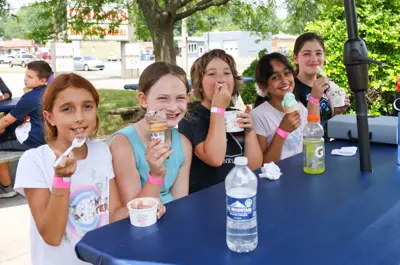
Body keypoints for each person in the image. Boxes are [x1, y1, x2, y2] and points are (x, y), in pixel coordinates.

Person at [14, 73, 166, 265]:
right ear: (50, 117)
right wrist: (61, 180)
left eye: (87, 107)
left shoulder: (101, 151)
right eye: (67, 109)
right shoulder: (34, 161)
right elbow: (51, 236)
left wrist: (147, 196)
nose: (80, 118)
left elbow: (112, 215)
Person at [179, 49, 263, 193]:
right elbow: (215, 159)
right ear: (200, 85)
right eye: (211, 74)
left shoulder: (236, 114)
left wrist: (250, 132)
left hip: (238, 193)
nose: (221, 79)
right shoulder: (190, 118)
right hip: (206, 197)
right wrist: (218, 109)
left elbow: (254, 167)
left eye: (227, 73)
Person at [109, 62, 192, 205]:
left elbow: (180, 202)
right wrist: (155, 175)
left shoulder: (183, 144)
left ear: (188, 98)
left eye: (180, 98)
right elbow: (133, 209)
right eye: (163, 98)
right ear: (143, 100)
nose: (173, 107)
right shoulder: (123, 145)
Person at [251, 52, 324, 162]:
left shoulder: (300, 108)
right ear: (263, 86)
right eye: (275, 77)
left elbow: (309, 146)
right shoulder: (258, 116)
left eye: (287, 73)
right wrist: (282, 130)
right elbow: (262, 164)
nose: (284, 80)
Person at [0, 61, 51, 199]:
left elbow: (6, 120)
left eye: (29, 77)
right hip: (46, 136)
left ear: (42, 80)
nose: (25, 79)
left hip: (32, 141)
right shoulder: (50, 92)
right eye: (25, 75)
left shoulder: (30, 97)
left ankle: (7, 188)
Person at [293, 32, 350, 130]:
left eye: (318, 53)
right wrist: (314, 99)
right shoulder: (291, 89)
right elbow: (302, 132)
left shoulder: (326, 87)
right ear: (295, 58)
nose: (314, 59)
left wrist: (336, 113)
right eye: (307, 54)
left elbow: (326, 128)